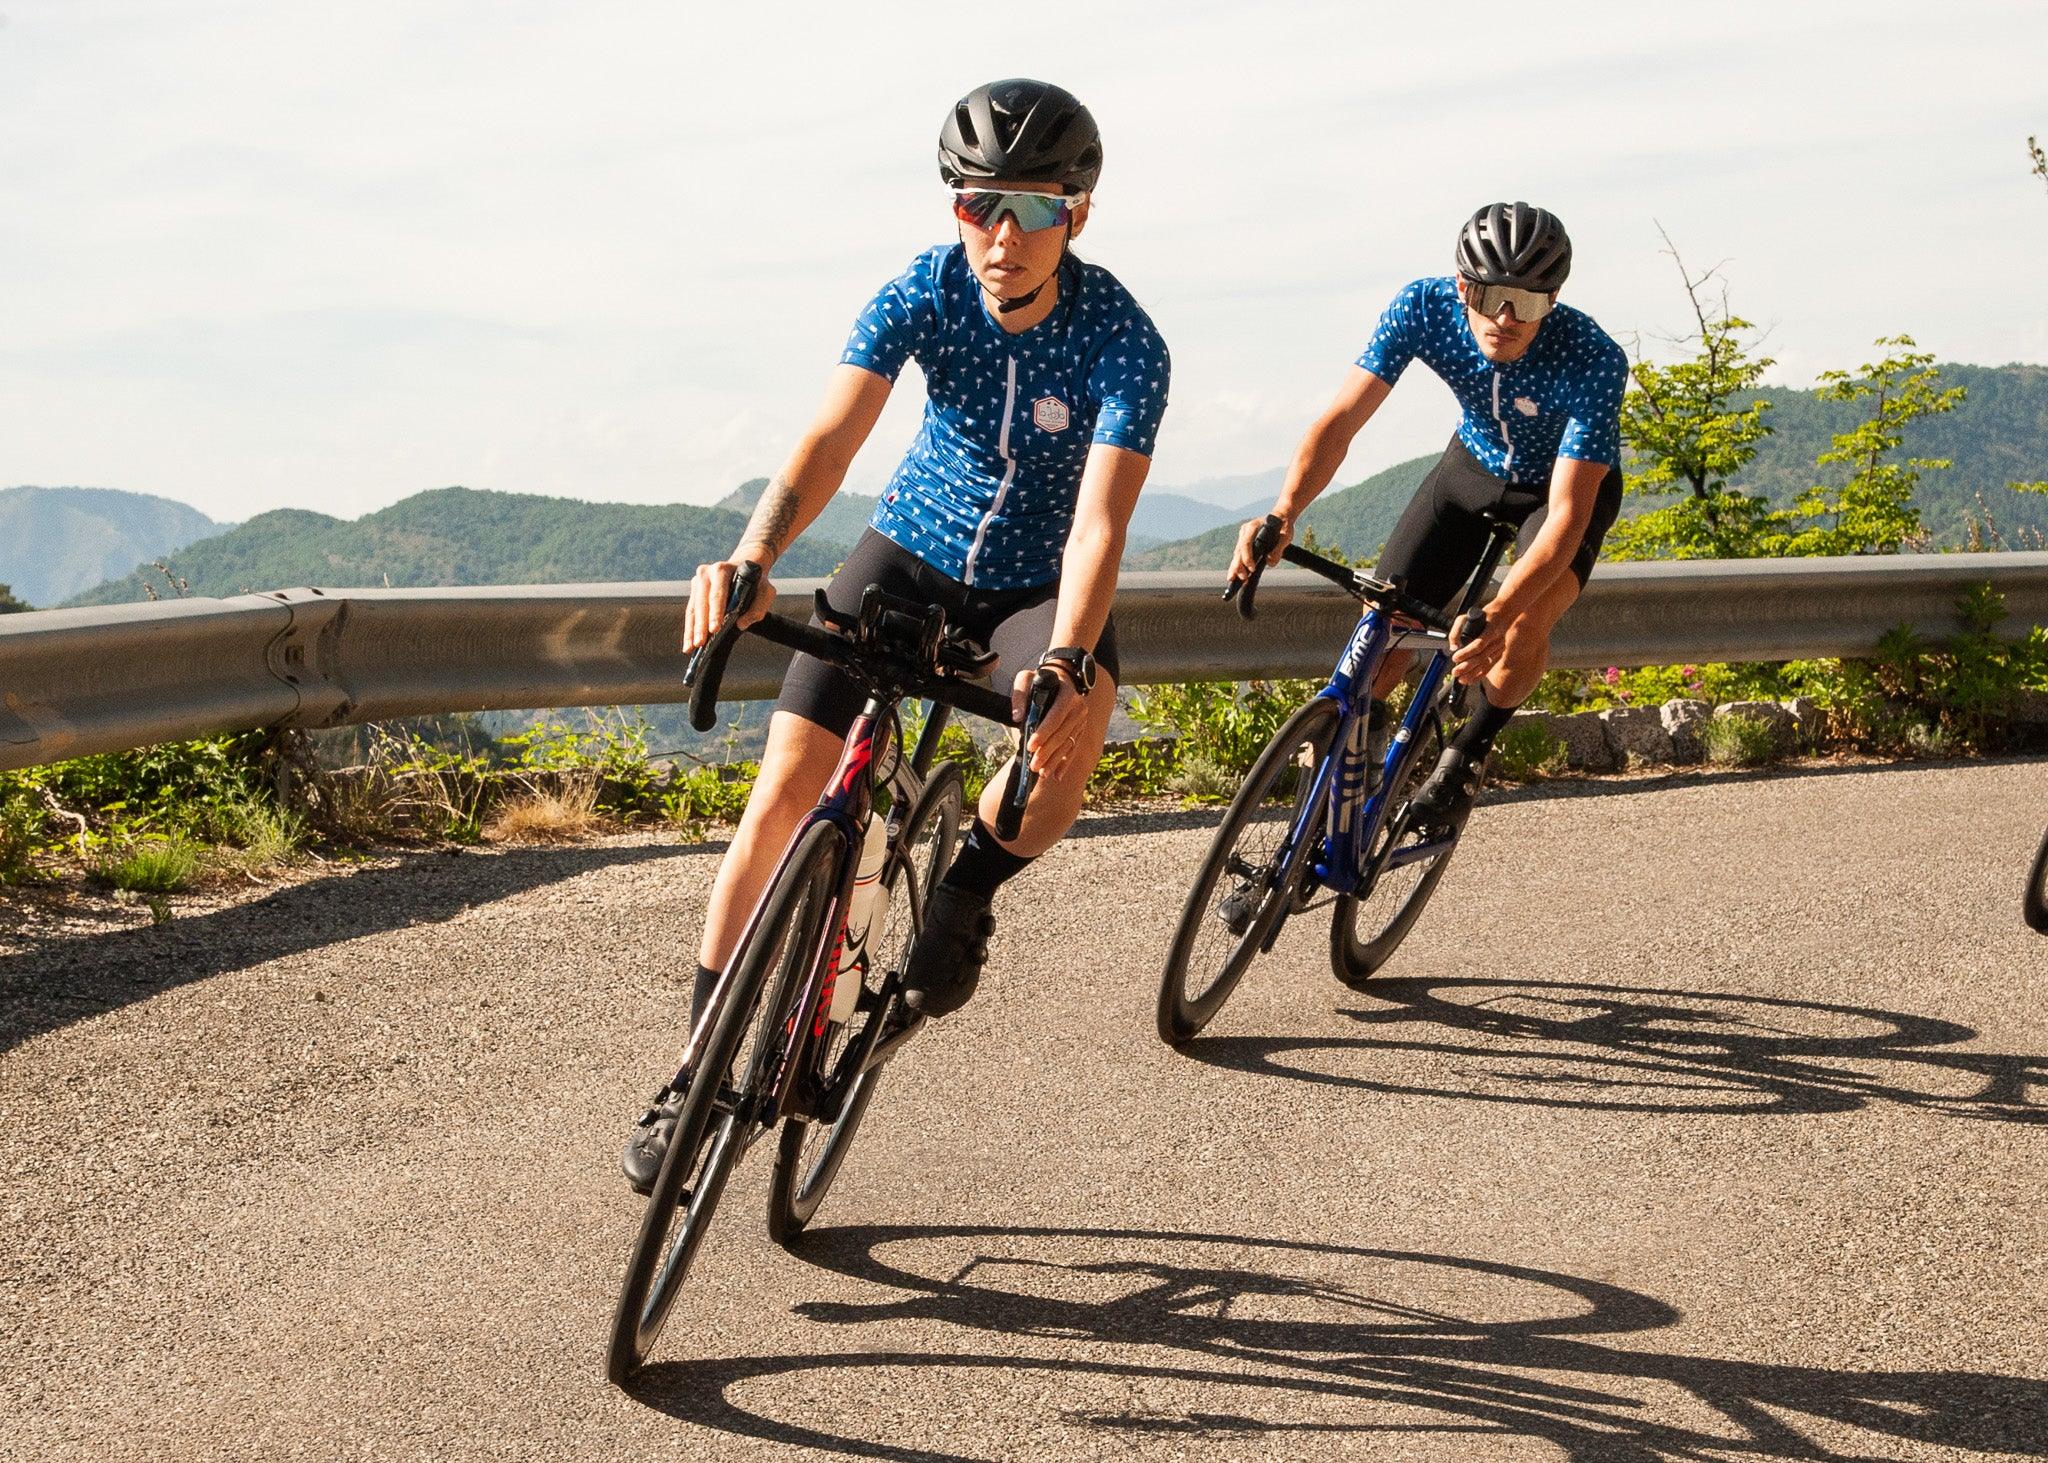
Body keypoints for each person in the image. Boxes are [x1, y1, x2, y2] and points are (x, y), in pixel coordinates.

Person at [623, 78, 1170, 1191]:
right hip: (907, 552)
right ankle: (690, 1073)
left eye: (1031, 208)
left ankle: (963, 886)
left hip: (1032, 585)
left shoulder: (1125, 339)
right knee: (783, 789)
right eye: (977, 205)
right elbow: (829, 438)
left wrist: (1065, 653)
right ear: (953, 208)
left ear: (1076, 214)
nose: (1001, 235)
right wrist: (752, 555)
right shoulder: (919, 291)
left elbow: (1102, 522)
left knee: (1065, 744)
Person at [1231, 200, 1625, 829]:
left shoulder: (1592, 357)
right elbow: (1340, 422)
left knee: (1522, 626)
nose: (1506, 317)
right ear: (1463, 286)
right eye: (1494, 295)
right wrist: (1284, 511)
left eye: (1529, 302)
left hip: (1556, 494)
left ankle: (1467, 755)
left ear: (1554, 300)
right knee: (1380, 629)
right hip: (1469, 470)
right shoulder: (1422, 307)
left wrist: (1497, 614)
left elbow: (1568, 518)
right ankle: (1338, 792)